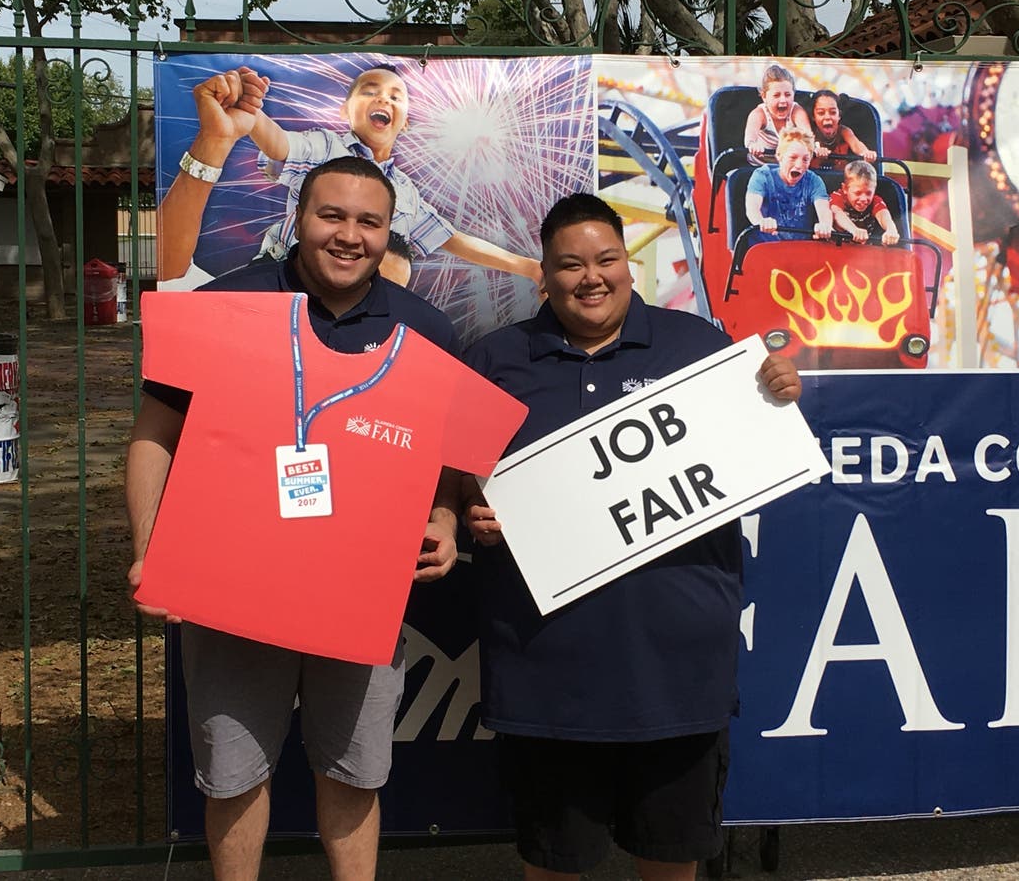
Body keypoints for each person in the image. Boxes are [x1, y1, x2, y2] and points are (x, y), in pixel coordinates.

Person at [128, 156, 463, 881]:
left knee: (354, 771)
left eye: (369, 221)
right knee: (233, 774)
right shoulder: (226, 305)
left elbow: (447, 457)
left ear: (389, 232)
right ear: (298, 218)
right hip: (233, 589)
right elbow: (154, 434)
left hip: (360, 593)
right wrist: (151, 549)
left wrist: (444, 519)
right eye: (331, 215)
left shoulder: (426, 329)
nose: (349, 235)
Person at [461, 193, 802, 881]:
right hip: (546, 678)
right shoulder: (494, 360)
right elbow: (454, 479)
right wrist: (471, 510)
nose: (591, 277)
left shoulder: (699, 348)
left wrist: (773, 392)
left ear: (627, 264)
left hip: (677, 676)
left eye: (606, 259)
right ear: (544, 275)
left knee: (671, 862)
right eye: (570, 265)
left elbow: (751, 453)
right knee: (554, 865)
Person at [161, 63, 543, 288]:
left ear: (405, 122)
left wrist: (526, 266)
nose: (383, 98)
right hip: (282, 280)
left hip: (360, 301)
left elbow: (453, 238)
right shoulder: (326, 147)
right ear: (345, 111)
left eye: (395, 96)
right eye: (370, 91)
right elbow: (279, 143)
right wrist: (250, 112)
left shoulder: (405, 192)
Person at [745, 126, 832, 243]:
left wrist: (825, 225)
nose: (799, 165)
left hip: (800, 247)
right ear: (779, 156)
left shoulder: (814, 181)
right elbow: (752, 208)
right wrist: (761, 221)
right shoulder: (762, 175)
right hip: (766, 246)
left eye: (805, 159)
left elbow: (824, 210)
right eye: (793, 158)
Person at [743, 64, 811, 166]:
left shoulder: (797, 111)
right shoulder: (759, 114)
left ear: (793, 94)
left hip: (787, 167)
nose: (783, 100)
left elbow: (808, 137)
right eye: (776, 95)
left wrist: (813, 147)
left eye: (787, 95)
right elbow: (749, 139)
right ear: (764, 97)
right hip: (759, 166)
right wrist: (753, 145)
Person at [829, 160, 900, 245]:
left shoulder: (875, 200)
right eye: (857, 193)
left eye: (869, 193)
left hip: (863, 249)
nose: (863, 199)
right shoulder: (838, 196)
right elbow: (837, 213)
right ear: (845, 189)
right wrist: (854, 229)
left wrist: (891, 229)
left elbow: (883, 215)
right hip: (837, 247)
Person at [810, 88, 876, 168]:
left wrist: (866, 153)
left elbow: (856, 145)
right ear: (813, 116)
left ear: (839, 116)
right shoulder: (809, 132)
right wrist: (815, 149)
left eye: (833, 112)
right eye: (821, 113)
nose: (827, 117)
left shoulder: (844, 131)